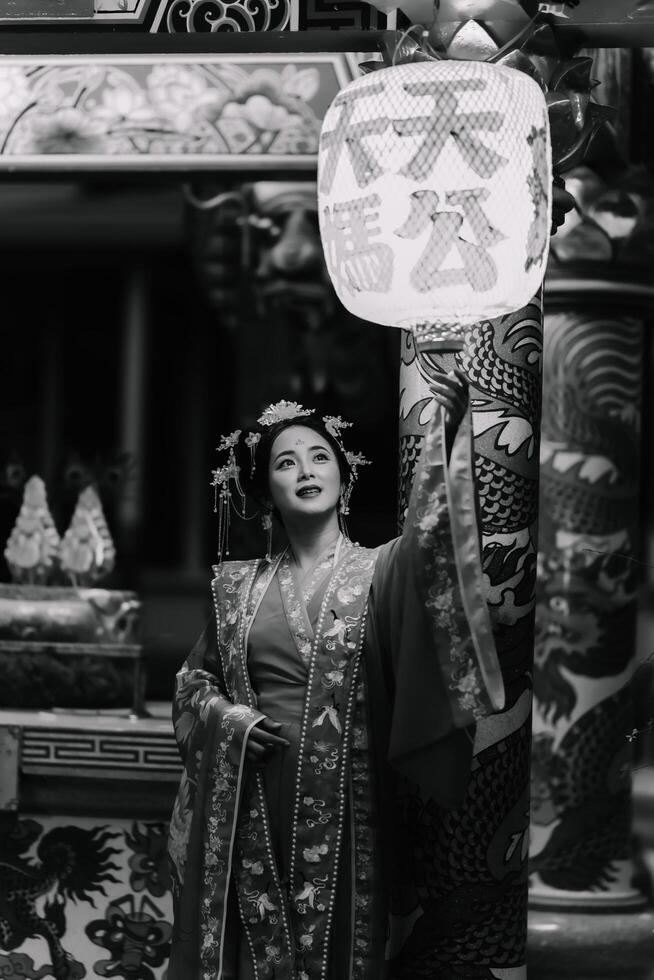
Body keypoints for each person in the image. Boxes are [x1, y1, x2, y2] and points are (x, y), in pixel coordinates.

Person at [167, 370, 505, 980]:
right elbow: (193, 685)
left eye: (320, 456)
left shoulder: (381, 570)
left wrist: (448, 440)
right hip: (253, 796)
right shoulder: (235, 588)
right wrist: (231, 721)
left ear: (342, 480)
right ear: (265, 489)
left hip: (350, 805)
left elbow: (433, 543)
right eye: (285, 461)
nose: (305, 469)